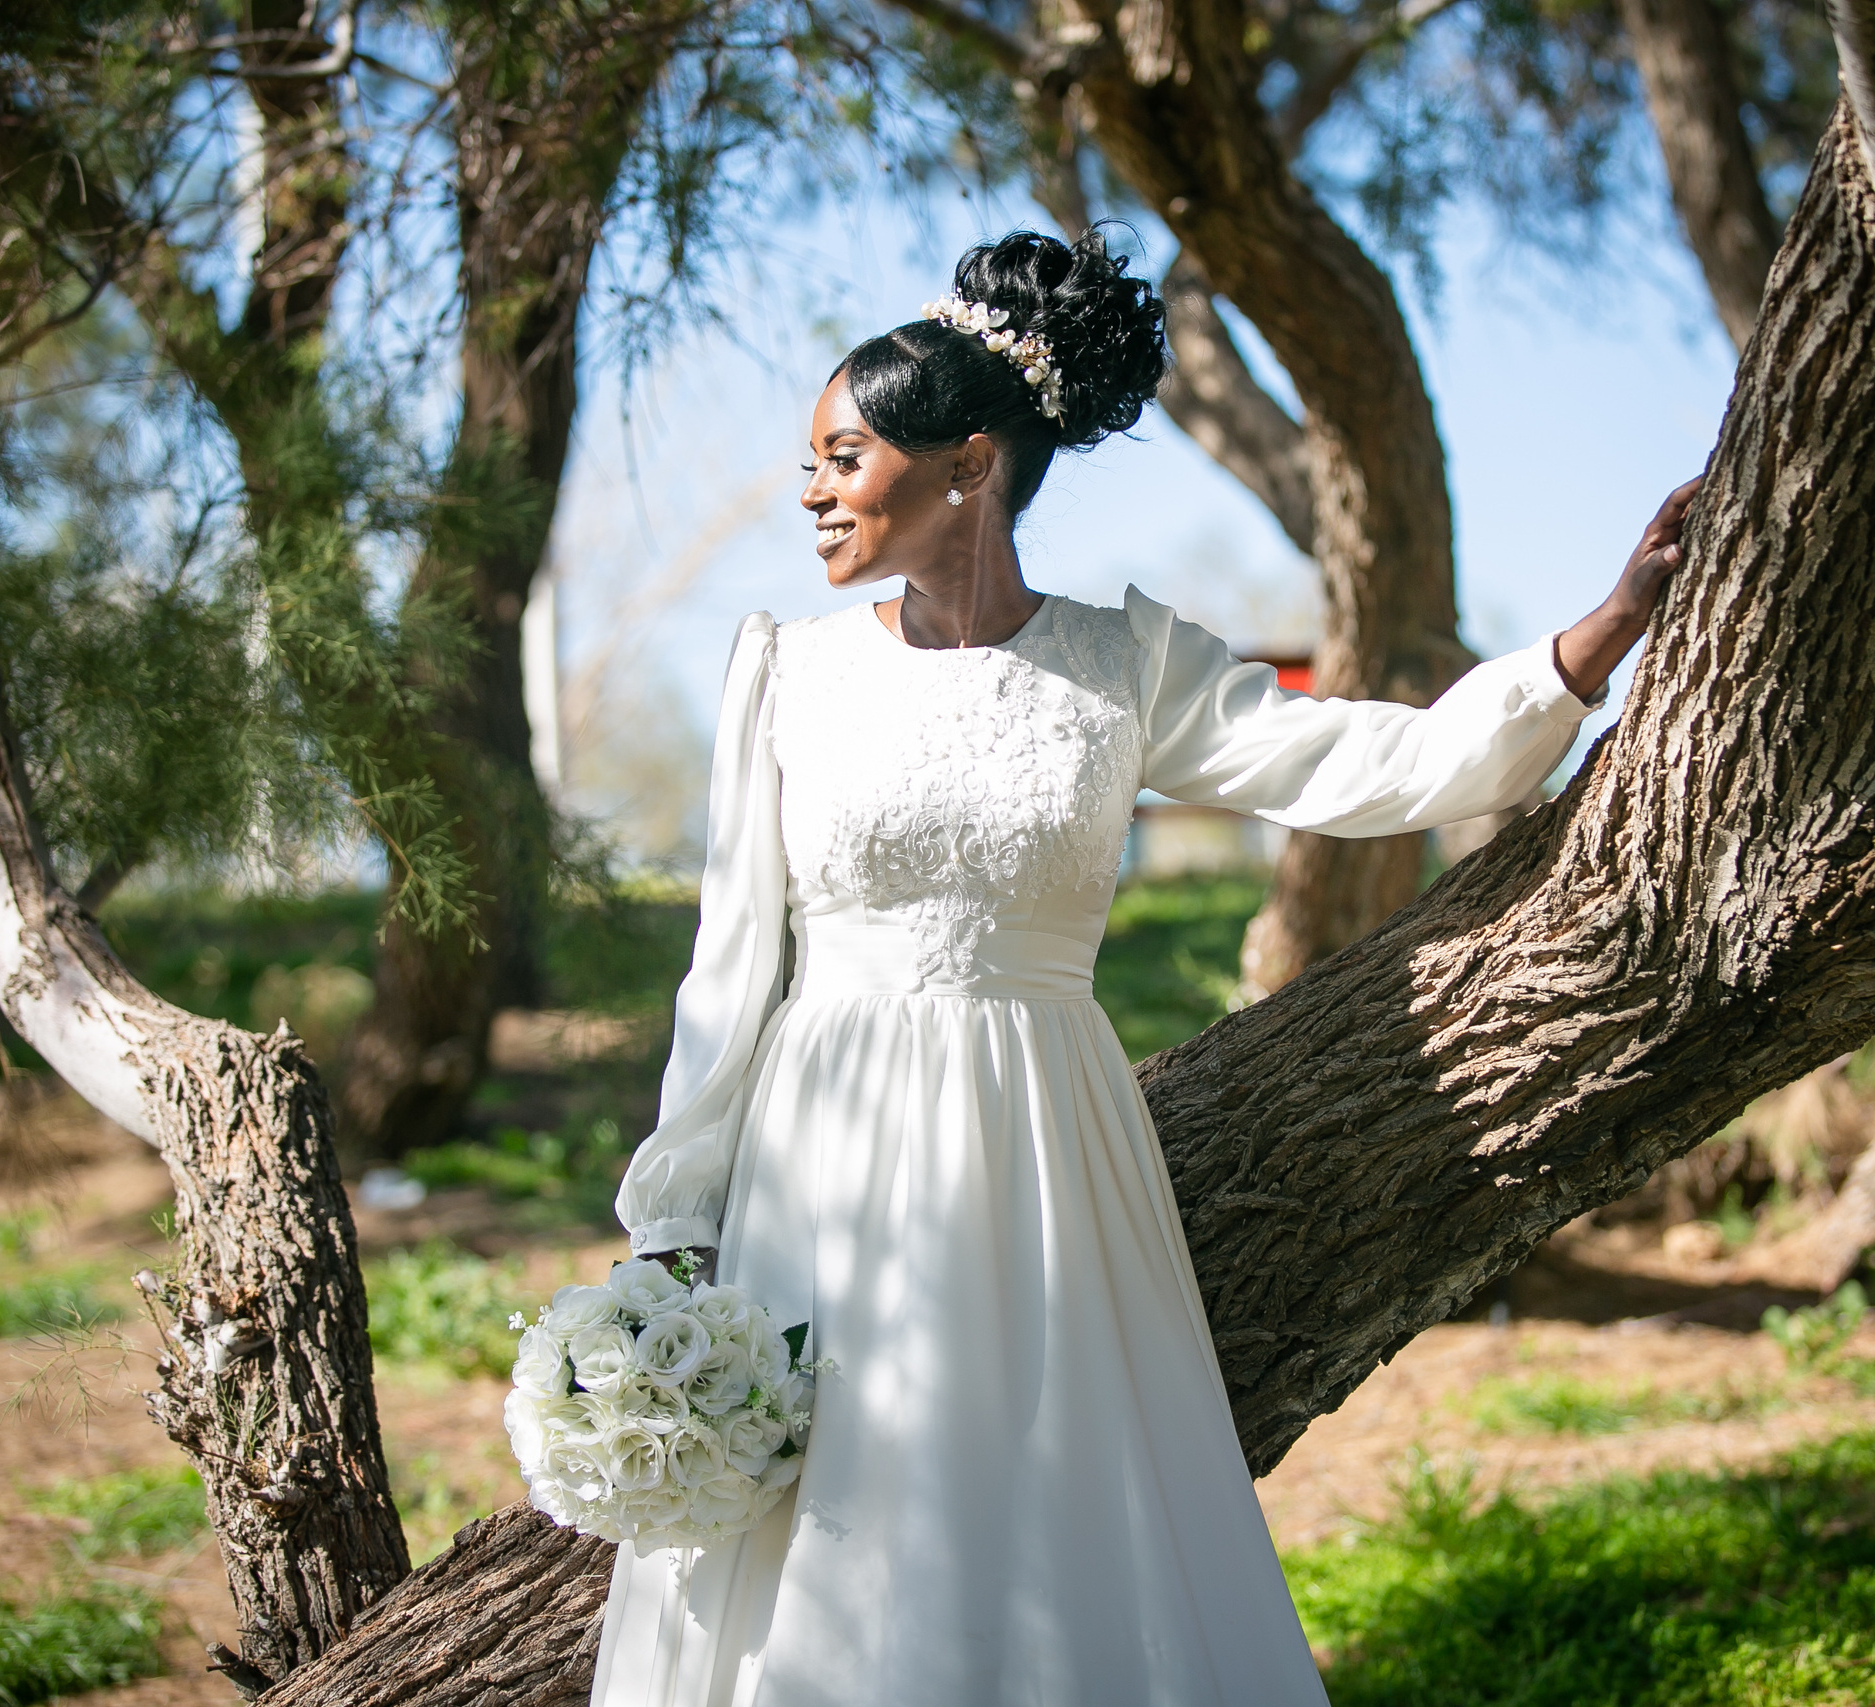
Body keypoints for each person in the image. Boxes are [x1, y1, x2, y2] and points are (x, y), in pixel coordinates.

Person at [591, 226, 1695, 1707]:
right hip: (820, 1150)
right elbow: (727, 974)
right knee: (828, 1507)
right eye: (815, 461)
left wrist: (1599, 634)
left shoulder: (1126, 666)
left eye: (844, 459)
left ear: (968, 465)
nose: (812, 492)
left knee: (1049, 1492)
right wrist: (673, 1222)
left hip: (1046, 1145)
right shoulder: (786, 670)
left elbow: (1371, 762)